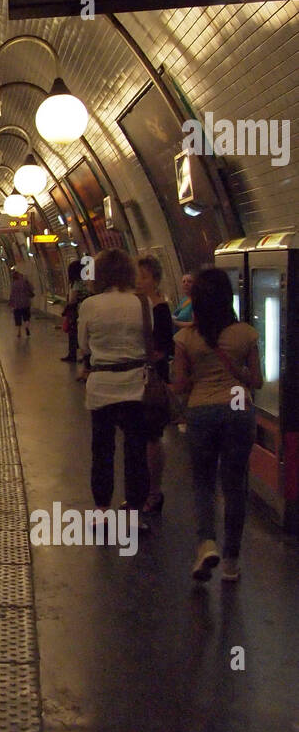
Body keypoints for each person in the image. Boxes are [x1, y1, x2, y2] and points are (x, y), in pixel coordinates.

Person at [171, 266, 262, 584]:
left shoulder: (185, 338)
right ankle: (231, 562)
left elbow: (180, 385)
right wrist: (235, 371)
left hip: (202, 409)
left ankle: (206, 544)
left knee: (203, 483)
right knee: (235, 485)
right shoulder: (246, 334)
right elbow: (256, 381)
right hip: (237, 405)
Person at [77, 248, 151, 529]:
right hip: (136, 384)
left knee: (102, 449)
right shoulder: (141, 302)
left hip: (102, 385)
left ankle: (102, 512)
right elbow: (151, 340)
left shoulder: (90, 305)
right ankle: (135, 515)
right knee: (136, 450)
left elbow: (84, 346)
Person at [135, 255, 174, 512]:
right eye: (136, 276)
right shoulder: (135, 307)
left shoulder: (159, 309)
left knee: (151, 436)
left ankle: (154, 491)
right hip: (136, 378)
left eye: (144, 277)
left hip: (152, 379)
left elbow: (164, 347)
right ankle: (140, 490)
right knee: (138, 437)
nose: (139, 282)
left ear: (155, 280)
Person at [61, 257, 92, 362]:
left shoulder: (76, 283)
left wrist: (67, 306)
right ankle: (85, 356)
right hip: (87, 308)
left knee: (73, 333)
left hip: (77, 310)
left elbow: (73, 299)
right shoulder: (87, 281)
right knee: (86, 333)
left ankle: (73, 354)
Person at [8, 268, 34, 340]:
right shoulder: (25, 282)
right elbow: (31, 289)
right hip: (26, 303)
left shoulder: (13, 284)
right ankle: (26, 326)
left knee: (18, 318)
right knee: (27, 317)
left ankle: (19, 331)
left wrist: (11, 303)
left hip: (17, 304)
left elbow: (12, 294)